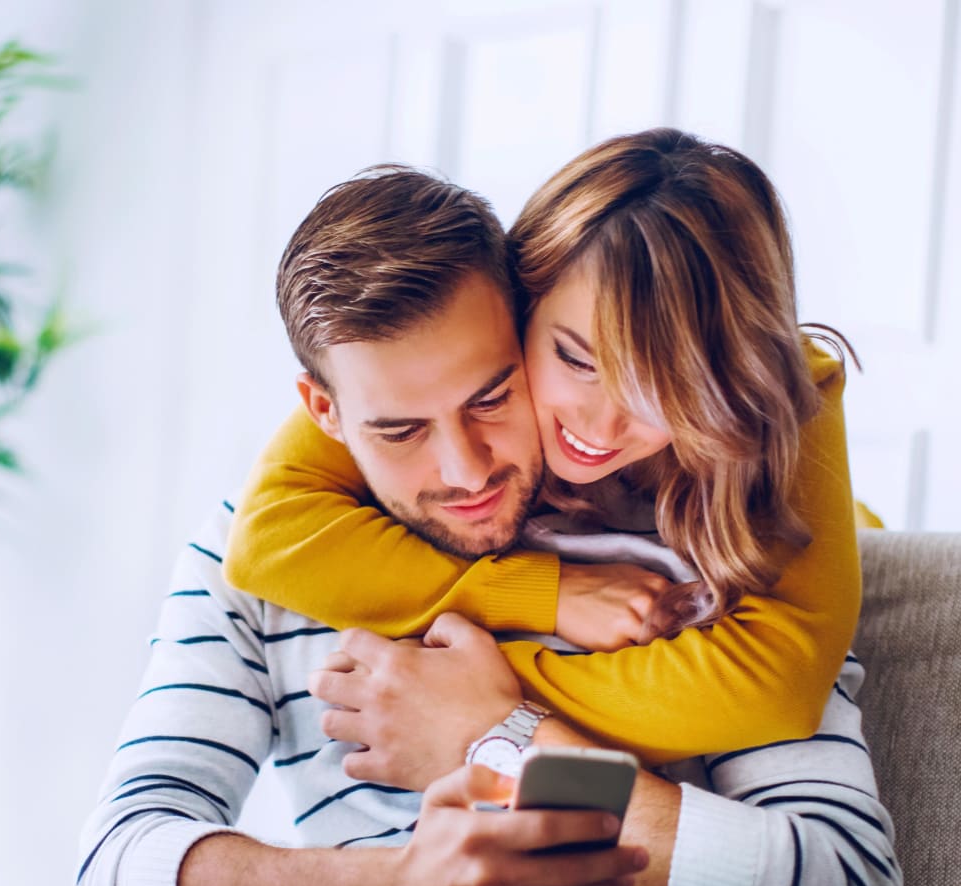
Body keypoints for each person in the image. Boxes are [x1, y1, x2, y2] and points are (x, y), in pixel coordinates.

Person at [0, 157, 902, 886]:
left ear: (522, 330)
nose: (466, 471)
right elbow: (120, 873)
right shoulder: (252, 561)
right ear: (322, 411)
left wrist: (502, 738)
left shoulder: (711, 539)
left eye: (492, 396)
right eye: (399, 429)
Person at [222, 128, 862, 765]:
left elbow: (777, 688)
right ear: (523, 299)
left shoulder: (776, 387)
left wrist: (475, 703)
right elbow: (267, 537)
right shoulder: (428, 358)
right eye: (576, 361)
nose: (602, 428)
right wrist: (544, 595)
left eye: (665, 390)